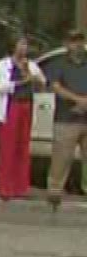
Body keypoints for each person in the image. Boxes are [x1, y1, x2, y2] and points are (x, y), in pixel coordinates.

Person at [0, 35, 45, 202]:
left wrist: (37, 80)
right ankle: (5, 187)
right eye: (21, 44)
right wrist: (22, 81)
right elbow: (2, 86)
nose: (24, 48)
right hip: (10, 107)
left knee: (23, 146)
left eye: (25, 45)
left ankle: (21, 186)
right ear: (13, 46)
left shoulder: (31, 65)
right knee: (8, 147)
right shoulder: (3, 64)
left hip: (26, 106)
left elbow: (42, 82)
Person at [44, 30, 87, 207]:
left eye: (80, 41)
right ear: (67, 44)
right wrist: (78, 100)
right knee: (61, 158)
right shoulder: (58, 64)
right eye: (73, 41)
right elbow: (55, 86)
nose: (77, 45)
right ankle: (54, 193)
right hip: (65, 118)